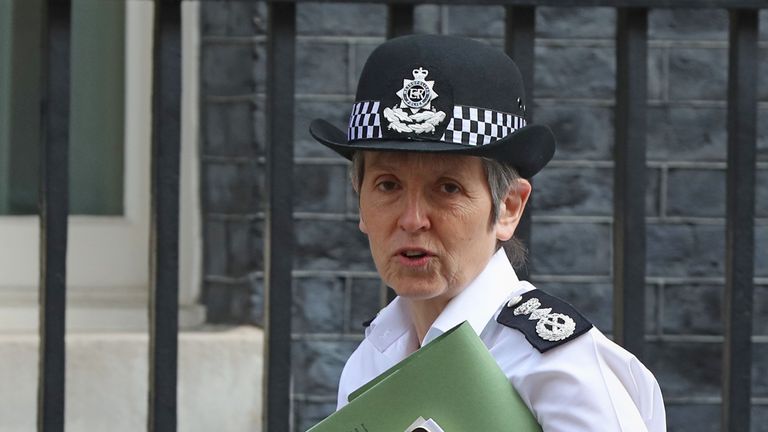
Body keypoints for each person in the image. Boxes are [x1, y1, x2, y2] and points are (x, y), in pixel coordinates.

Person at [309, 34, 666, 431]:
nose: (412, 219)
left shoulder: (559, 365)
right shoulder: (368, 362)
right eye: (388, 185)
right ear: (360, 201)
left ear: (509, 208)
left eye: (447, 188)